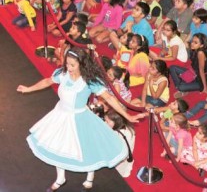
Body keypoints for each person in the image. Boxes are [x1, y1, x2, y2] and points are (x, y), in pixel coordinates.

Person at [16, 47, 142, 191]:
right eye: (67, 63)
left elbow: (109, 98)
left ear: (81, 64)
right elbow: (47, 81)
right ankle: (60, 178)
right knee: (59, 145)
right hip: (60, 115)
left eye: (72, 65)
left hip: (80, 118)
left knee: (87, 147)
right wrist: (28, 89)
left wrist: (128, 116)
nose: (68, 67)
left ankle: (90, 177)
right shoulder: (63, 73)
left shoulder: (90, 81)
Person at [170, 33, 207, 98]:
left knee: (181, 87)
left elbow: (201, 71)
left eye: (195, 42)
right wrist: (188, 74)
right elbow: (194, 66)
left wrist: (204, 87)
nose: (192, 43)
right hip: (194, 73)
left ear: (201, 45)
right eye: (192, 41)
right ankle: (182, 86)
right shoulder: (195, 50)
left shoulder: (200, 53)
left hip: (201, 78)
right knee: (172, 68)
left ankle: (181, 87)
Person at [104, 109, 136, 178]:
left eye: (107, 121)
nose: (105, 123)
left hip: (120, 163)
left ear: (116, 121)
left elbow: (122, 154)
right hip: (121, 158)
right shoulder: (127, 129)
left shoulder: (120, 135)